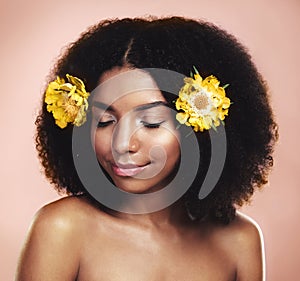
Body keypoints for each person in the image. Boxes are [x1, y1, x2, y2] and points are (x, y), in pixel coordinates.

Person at [15, 16, 278, 281]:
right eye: (104, 121)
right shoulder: (63, 229)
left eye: (151, 124)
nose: (122, 144)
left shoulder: (240, 241)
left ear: (202, 129)